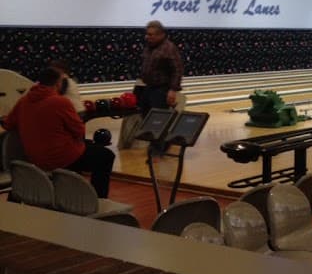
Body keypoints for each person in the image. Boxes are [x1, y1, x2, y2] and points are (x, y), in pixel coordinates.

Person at [1, 66, 114, 197]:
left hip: (34, 158)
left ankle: (71, 192)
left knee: (89, 148)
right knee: (106, 156)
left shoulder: (23, 101)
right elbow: (79, 130)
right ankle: (98, 199)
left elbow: (8, 124)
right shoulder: (60, 102)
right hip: (60, 158)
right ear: (58, 83)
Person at [136, 20, 184, 116]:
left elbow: (177, 70)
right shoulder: (149, 47)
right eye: (147, 34)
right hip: (148, 87)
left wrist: (172, 90)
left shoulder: (169, 48)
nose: (147, 37)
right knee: (144, 116)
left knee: (157, 118)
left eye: (150, 35)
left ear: (161, 35)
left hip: (161, 90)